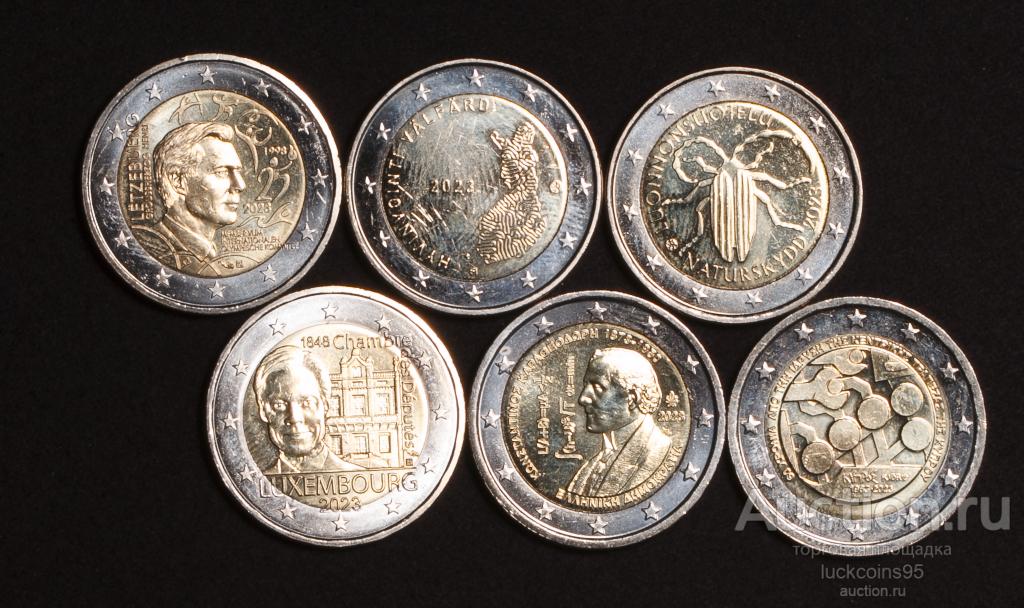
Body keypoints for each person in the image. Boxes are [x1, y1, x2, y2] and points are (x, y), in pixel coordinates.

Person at [135, 121, 246, 274]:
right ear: (178, 180)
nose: (240, 185)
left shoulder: (207, 252)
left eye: (237, 172)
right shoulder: (150, 248)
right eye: (222, 172)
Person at [566, 348, 672, 497]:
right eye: (586, 385)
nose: (583, 399)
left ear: (632, 398)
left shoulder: (659, 452)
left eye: (597, 387)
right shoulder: (589, 467)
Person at [253, 345, 362, 474]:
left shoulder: (358, 476)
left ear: (325, 405)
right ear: (263, 410)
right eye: (279, 405)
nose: (295, 418)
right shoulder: (256, 480)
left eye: (307, 402)